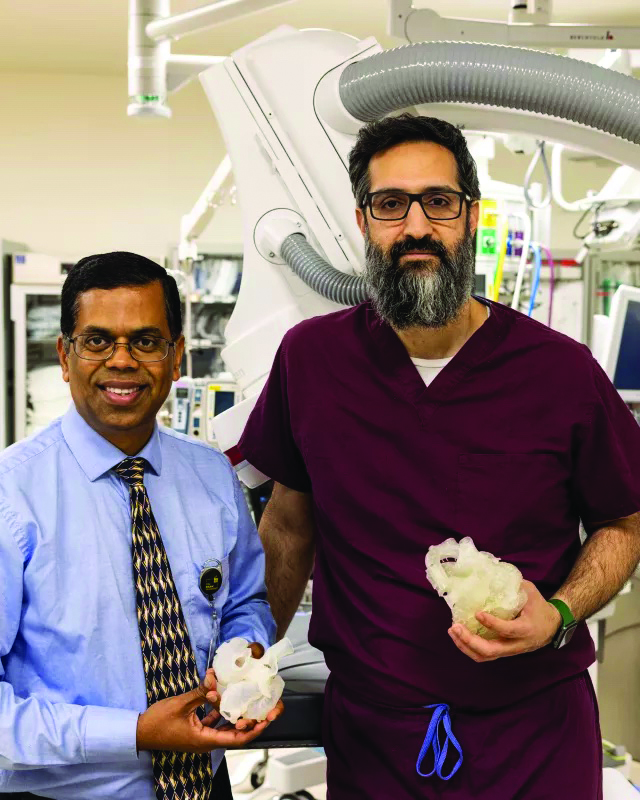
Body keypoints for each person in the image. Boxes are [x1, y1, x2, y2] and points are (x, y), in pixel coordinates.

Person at [238, 114, 640, 799]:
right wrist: (249, 655)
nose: (416, 226)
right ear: (364, 223)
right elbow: (287, 524)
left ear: (471, 217)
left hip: (534, 741)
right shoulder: (311, 360)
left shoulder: (560, 373)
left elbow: (624, 524)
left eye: (439, 202)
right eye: (391, 205)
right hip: (374, 744)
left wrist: (562, 614)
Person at [0, 252, 281, 800]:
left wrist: (242, 654)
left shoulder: (210, 477)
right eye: (98, 341)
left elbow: (247, 602)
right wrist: (133, 734)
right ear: (64, 355)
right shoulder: (12, 497)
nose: (122, 361)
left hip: (205, 785)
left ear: (176, 357)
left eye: (146, 342)